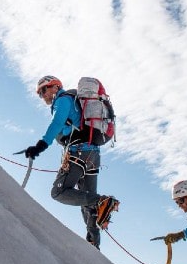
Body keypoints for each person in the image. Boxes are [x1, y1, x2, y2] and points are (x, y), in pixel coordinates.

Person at [24, 75, 119, 250]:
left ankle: (102, 202)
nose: (42, 95)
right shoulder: (74, 102)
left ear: (55, 87)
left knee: (58, 192)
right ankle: (93, 243)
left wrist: (40, 146)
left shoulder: (63, 100)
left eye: (44, 90)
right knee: (86, 201)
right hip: (93, 155)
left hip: (79, 153)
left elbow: (56, 123)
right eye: (39, 93)